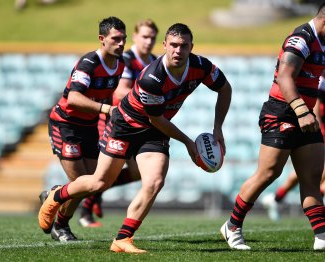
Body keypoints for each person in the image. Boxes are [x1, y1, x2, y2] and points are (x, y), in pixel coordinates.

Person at [38, 23, 232, 253]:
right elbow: (157, 119)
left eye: (184, 46)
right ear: (165, 46)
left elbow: (225, 88)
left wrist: (217, 128)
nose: (178, 51)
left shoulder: (201, 66)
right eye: (173, 45)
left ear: (192, 47)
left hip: (154, 132)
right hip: (126, 126)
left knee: (155, 182)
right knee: (99, 182)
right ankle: (57, 195)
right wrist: (189, 143)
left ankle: (123, 239)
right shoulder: (153, 77)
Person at [220, 3, 325, 251]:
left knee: (310, 178)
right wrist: (301, 110)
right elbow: (284, 76)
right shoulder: (301, 38)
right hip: (282, 113)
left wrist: (306, 113)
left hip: (305, 114)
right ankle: (232, 226)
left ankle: (321, 235)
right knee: (268, 174)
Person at [41, 16, 126, 242]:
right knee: (81, 182)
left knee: (92, 184)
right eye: (116, 39)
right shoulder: (89, 62)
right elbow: (74, 99)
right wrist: (107, 110)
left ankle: (54, 196)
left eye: (123, 39)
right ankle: (61, 225)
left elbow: (106, 93)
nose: (121, 43)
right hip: (65, 124)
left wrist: (107, 120)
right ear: (102, 39)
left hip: (89, 126)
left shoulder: (121, 64)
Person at [78, 19, 159, 227]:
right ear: (134, 37)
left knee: (135, 173)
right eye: (145, 36)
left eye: (152, 37)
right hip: (116, 122)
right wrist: (149, 99)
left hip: (137, 123)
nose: (149, 41)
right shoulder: (127, 58)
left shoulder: (155, 62)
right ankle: (85, 207)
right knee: (100, 176)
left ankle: (96, 195)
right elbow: (121, 90)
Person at [262, 76, 325, 221]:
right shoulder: (320, 81)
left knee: (309, 171)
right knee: (311, 171)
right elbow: (316, 106)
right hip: (317, 129)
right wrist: (318, 130)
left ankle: (278, 198)